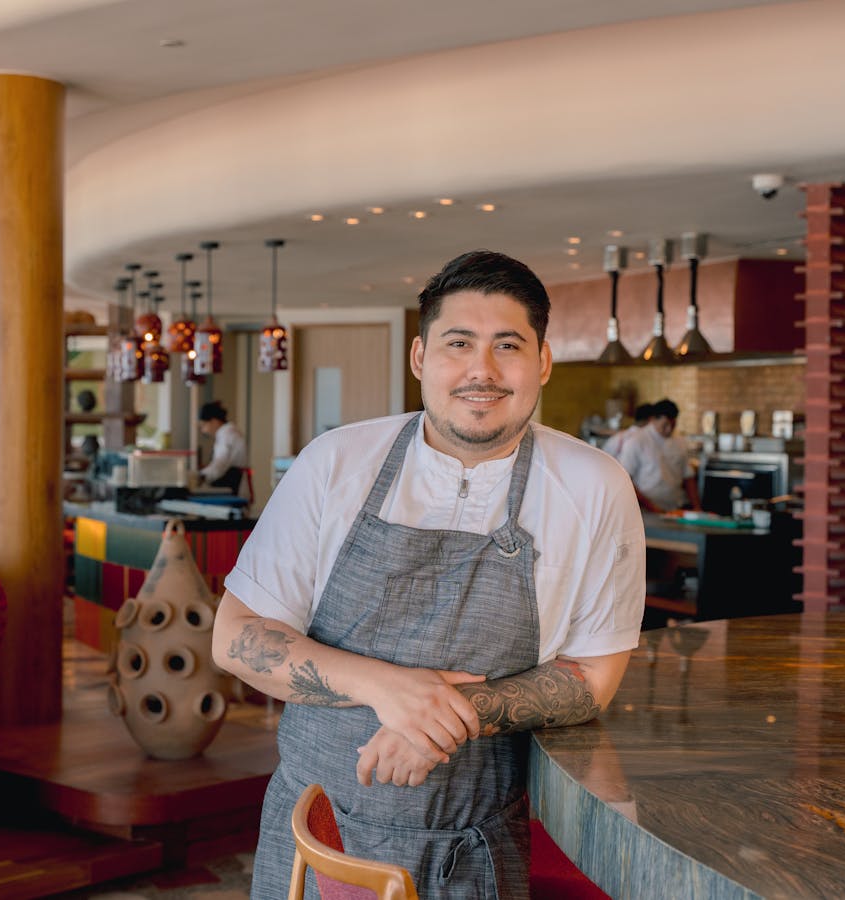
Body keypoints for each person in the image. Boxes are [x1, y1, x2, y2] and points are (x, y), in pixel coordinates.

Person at [211, 249, 645, 899]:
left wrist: (453, 711)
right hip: (318, 836)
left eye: (509, 345)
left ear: (544, 362)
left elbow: (596, 677)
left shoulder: (595, 486)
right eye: (458, 343)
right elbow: (235, 636)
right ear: (420, 359)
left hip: (478, 846)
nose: (482, 369)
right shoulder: (334, 464)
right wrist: (389, 688)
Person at [616, 398, 701, 515]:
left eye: (673, 424)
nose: (669, 429)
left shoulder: (680, 442)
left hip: (676, 508)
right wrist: (652, 508)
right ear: (653, 420)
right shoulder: (636, 441)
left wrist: (697, 507)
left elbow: (688, 477)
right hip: (645, 511)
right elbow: (624, 480)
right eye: (665, 425)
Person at [197, 401, 249, 493]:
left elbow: (219, 465)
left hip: (232, 486)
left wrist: (199, 476)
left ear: (214, 421)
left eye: (203, 425)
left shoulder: (227, 435)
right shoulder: (227, 433)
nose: (203, 431)